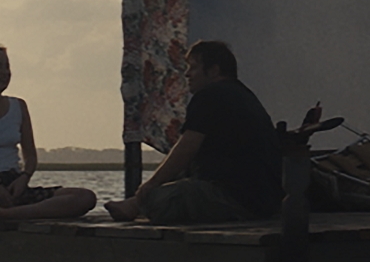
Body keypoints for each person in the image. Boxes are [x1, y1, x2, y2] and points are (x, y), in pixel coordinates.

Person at [103, 40, 282, 223]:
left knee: (160, 201)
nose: (188, 74)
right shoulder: (243, 95)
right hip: (264, 200)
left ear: (213, 70)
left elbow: (186, 148)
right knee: (179, 176)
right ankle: (135, 204)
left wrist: (149, 186)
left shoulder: (210, 95)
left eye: (194, 68)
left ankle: (138, 204)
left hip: (236, 199)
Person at [0, 44, 97, 220]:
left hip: (13, 185)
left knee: (85, 197)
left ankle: (4, 214)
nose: (5, 72)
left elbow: (30, 155)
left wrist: (23, 178)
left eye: (7, 67)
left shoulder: (19, 106)